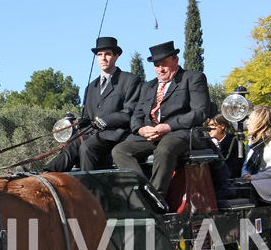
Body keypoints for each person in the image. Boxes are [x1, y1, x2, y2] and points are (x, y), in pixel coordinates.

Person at [112, 40, 212, 198]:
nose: (160, 69)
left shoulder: (193, 78)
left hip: (182, 134)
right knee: (120, 150)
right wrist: (141, 129)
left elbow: (200, 112)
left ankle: (156, 198)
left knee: (165, 148)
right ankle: (142, 194)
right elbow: (137, 114)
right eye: (157, 65)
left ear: (176, 60)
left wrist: (168, 127)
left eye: (164, 64)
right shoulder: (147, 86)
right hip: (152, 135)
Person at [44, 36, 141, 172]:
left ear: (116, 57)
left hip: (116, 134)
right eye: (100, 55)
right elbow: (88, 116)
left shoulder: (130, 80)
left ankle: (88, 189)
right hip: (92, 133)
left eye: (108, 54)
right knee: (70, 145)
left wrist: (106, 120)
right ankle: (47, 173)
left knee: (87, 147)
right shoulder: (91, 86)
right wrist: (80, 121)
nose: (103, 58)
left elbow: (130, 111)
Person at [207, 113, 241, 179]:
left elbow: (235, 166)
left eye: (212, 125)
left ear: (222, 126)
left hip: (228, 179)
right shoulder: (207, 142)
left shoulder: (234, 142)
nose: (209, 129)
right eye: (207, 126)